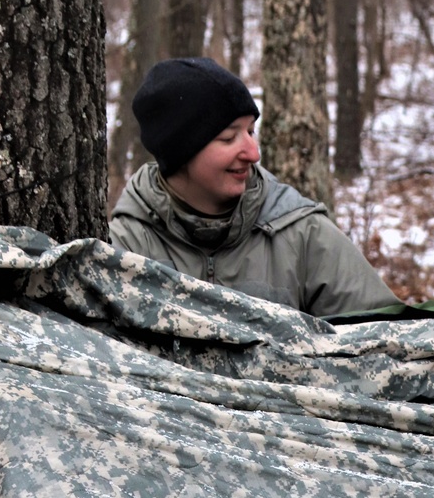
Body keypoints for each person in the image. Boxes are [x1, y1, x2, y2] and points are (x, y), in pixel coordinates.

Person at [110, 57, 398, 316]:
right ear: (179, 151)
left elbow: (387, 341)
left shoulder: (301, 234)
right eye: (228, 137)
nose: (253, 153)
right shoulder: (127, 244)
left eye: (250, 132)